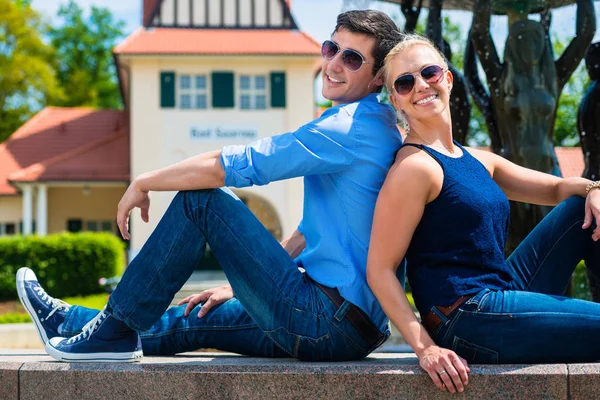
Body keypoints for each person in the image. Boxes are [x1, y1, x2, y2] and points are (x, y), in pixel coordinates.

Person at [16, 10, 404, 363]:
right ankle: (69, 320)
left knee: (203, 201)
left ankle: (114, 329)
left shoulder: (346, 127)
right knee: (194, 318)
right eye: (331, 47)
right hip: (348, 327)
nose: (333, 64)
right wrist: (245, 286)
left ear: (377, 77)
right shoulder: (378, 124)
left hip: (323, 320)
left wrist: (146, 180)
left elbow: (235, 166)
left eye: (351, 59)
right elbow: (311, 231)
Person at [367, 33, 600, 394]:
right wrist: (424, 348)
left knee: (578, 209)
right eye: (405, 81)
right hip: (464, 316)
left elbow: (556, 189)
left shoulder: (477, 159)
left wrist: (593, 190)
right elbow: (380, 269)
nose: (420, 85)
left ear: (447, 78)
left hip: (500, 292)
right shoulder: (415, 168)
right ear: (396, 98)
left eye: (428, 72)